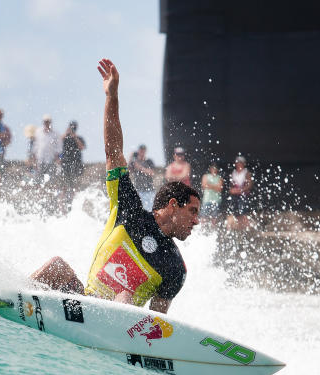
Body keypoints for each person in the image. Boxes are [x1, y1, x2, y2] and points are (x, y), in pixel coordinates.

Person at [30, 59, 200, 313]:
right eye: (193, 211)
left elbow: (155, 321)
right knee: (56, 266)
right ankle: (8, 303)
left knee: (125, 297)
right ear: (173, 205)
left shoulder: (175, 268)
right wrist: (112, 97)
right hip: (82, 303)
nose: (196, 221)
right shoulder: (129, 209)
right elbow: (113, 151)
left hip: (117, 327)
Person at [60, 121, 87, 211]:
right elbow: (57, 142)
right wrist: (66, 134)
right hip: (65, 165)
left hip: (76, 165)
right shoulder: (64, 138)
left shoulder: (79, 138)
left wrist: (74, 137)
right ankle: (62, 208)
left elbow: (82, 147)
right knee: (64, 187)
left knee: (75, 186)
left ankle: (75, 207)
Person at [33, 115, 62, 195]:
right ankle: (39, 195)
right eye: (45, 122)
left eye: (48, 122)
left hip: (50, 160)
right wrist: (34, 160)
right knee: (38, 180)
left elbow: (58, 147)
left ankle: (49, 196)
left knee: (50, 180)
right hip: (40, 160)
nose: (46, 123)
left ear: (50, 122)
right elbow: (35, 146)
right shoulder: (38, 132)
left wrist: (58, 158)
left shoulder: (55, 133)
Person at [224, 156, 254, 230]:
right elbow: (231, 186)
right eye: (237, 163)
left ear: (244, 164)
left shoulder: (246, 173)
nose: (239, 164)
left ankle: (245, 229)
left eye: (240, 163)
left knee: (243, 213)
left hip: (244, 196)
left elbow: (250, 185)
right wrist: (231, 190)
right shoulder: (233, 173)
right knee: (233, 213)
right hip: (235, 196)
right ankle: (233, 228)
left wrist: (241, 190)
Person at [129, 144, 157, 210]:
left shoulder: (149, 161)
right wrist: (131, 157)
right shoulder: (134, 162)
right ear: (138, 151)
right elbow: (128, 170)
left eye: (143, 150)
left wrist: (140, 168)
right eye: (141, 150)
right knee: (139, 209)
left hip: (149, 190)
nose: (142, 152)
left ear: (145, 151)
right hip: (138, 190)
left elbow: (152, 173)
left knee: (151, 209)